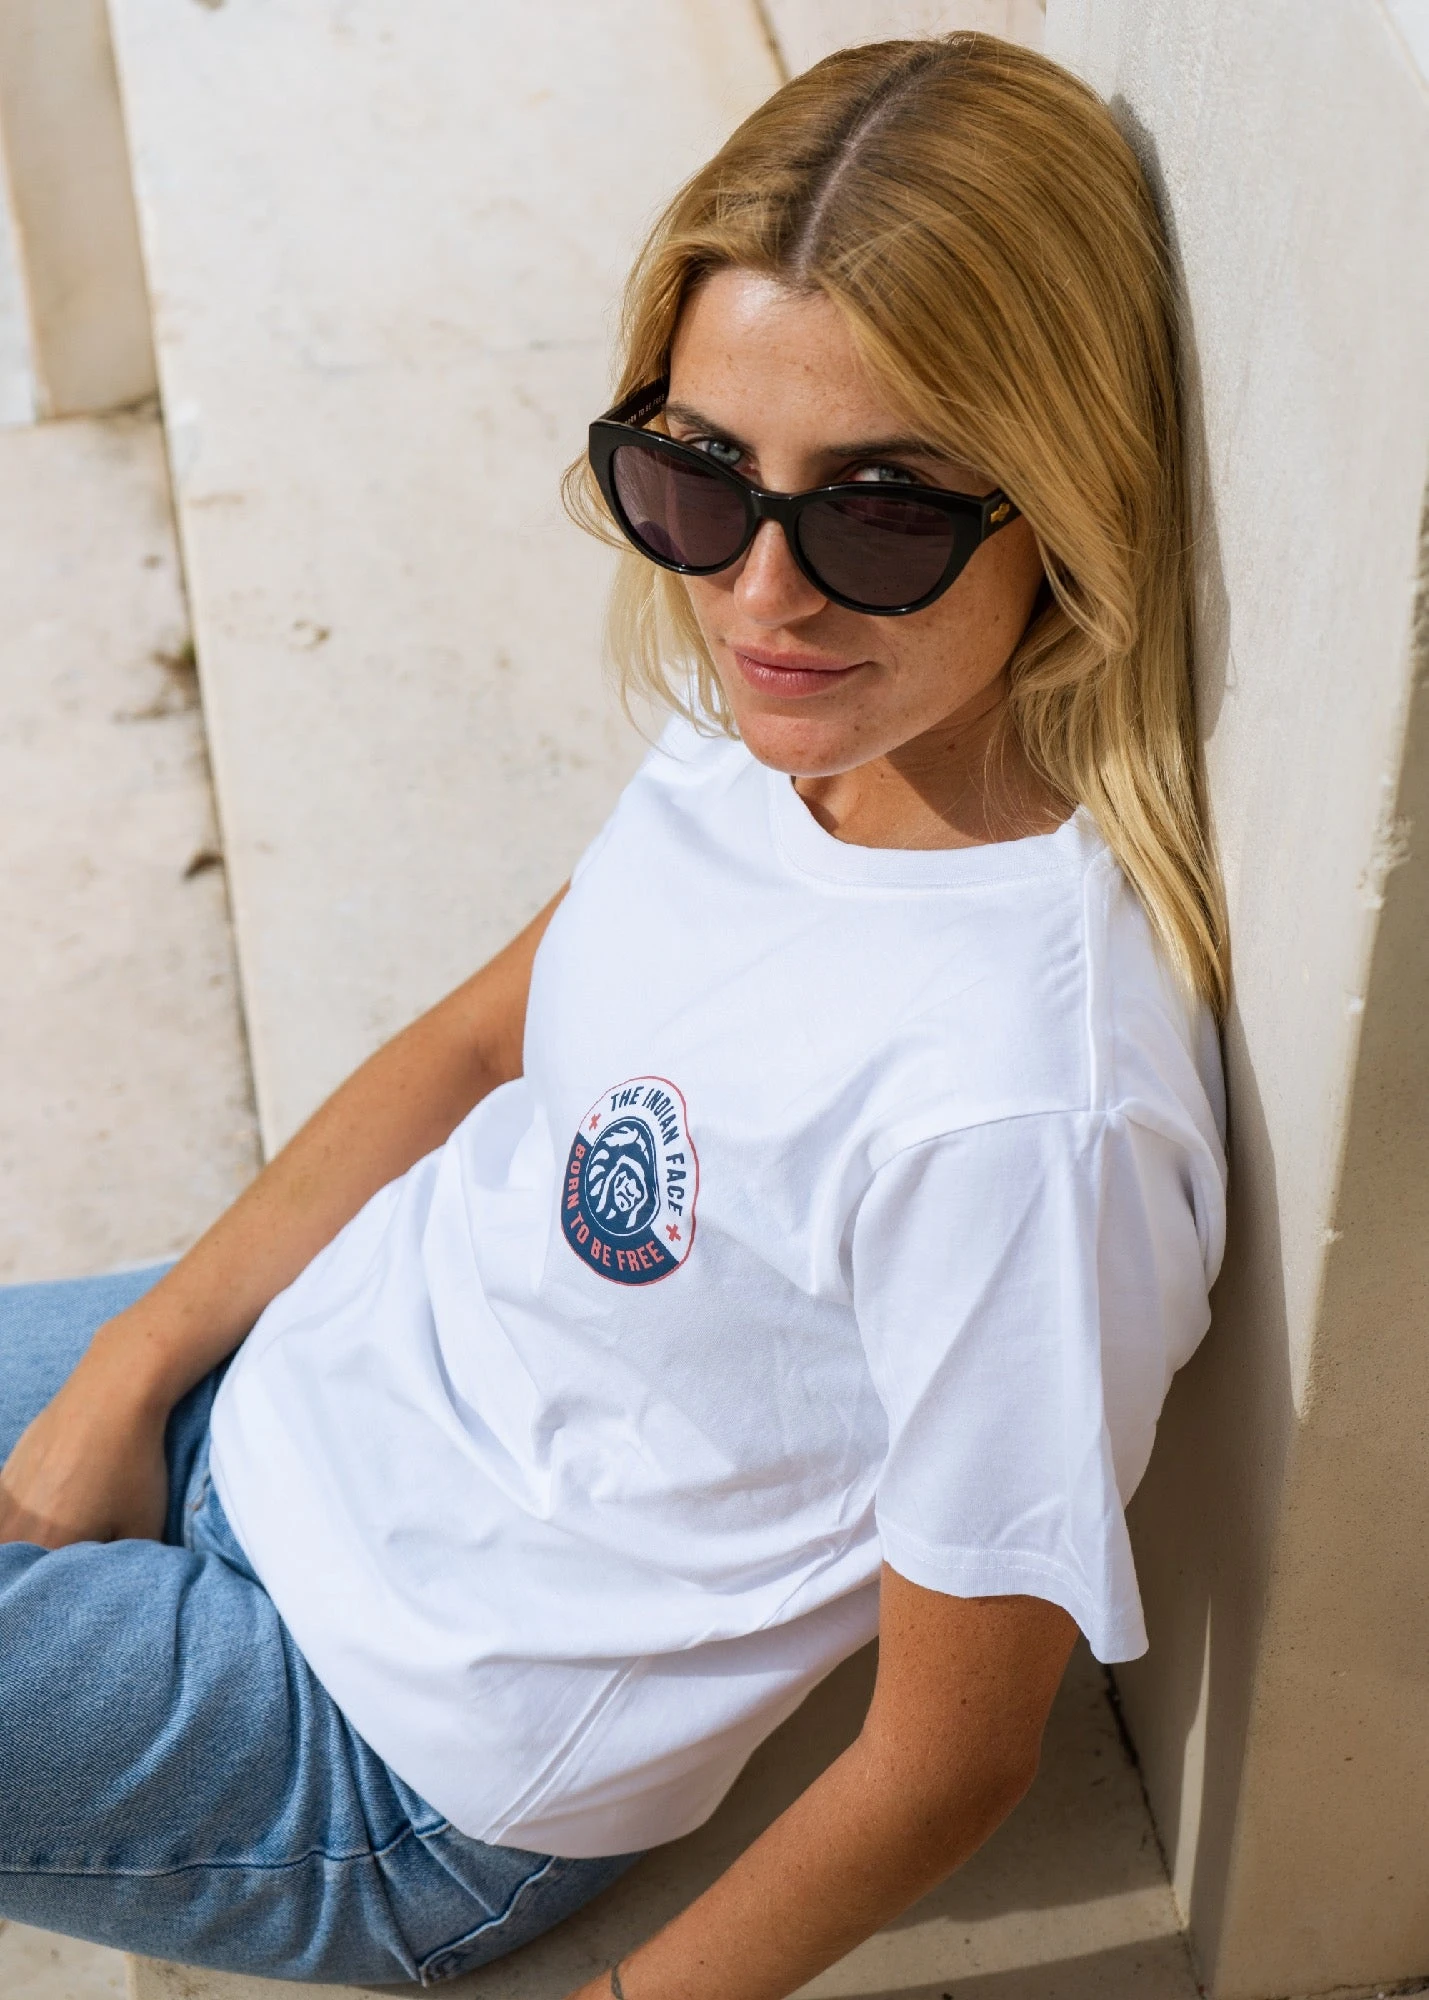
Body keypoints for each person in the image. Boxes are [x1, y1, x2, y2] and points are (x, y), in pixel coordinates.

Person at [0, 31, 1228, 1999]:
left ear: (1071, 496)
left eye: (883, 512)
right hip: (291, 1392)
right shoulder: (779, 738)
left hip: (386, 1742)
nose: (762, 597)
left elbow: (950, 1754)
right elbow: (477, 1045)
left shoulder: (1019, 1112)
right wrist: (134, 1368)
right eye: (695, 477)